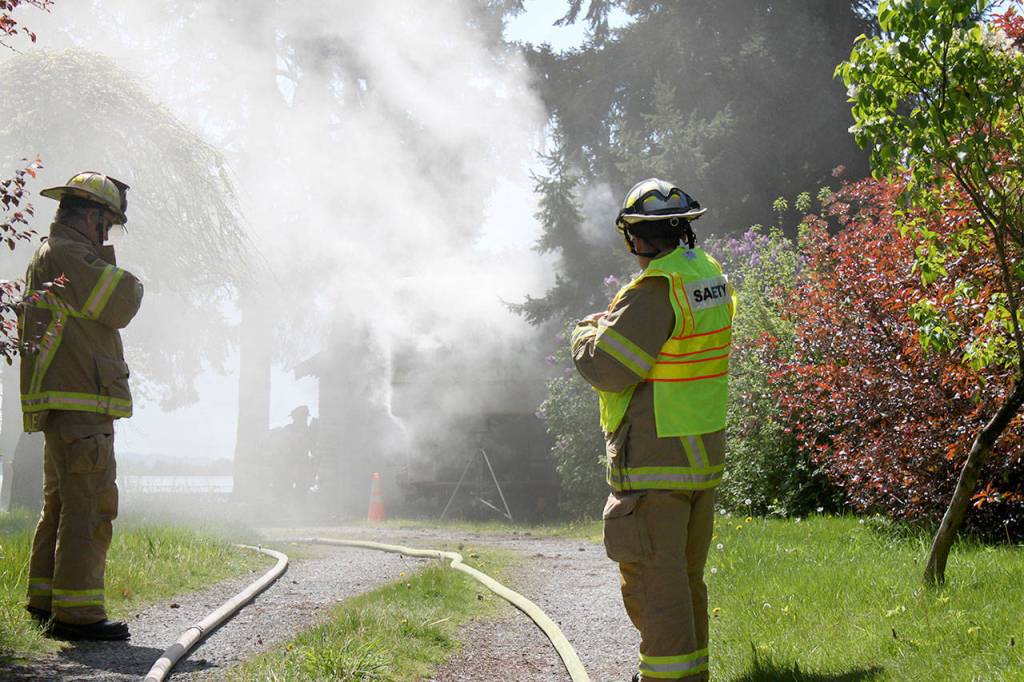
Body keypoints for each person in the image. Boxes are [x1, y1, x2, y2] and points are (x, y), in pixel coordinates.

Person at [571, 178, 734, 681]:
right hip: (697, 460)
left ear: (633, 237)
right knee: (682, 582)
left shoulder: (655, 290)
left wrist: (584, 333)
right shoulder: (707, 276)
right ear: (683, 229)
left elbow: (609, 368)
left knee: (655, 587)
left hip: (656, 466)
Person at [19, 171, 144, 640]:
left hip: (67, 404)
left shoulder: (51, 254)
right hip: (81, 404)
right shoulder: (71, 256)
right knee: (90, 507)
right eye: (107, 224)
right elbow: (122, 301)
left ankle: (45, 602)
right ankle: (79, 616)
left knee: (61, 505)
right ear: (91, 218)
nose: (108, 234)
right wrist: (125, 274)